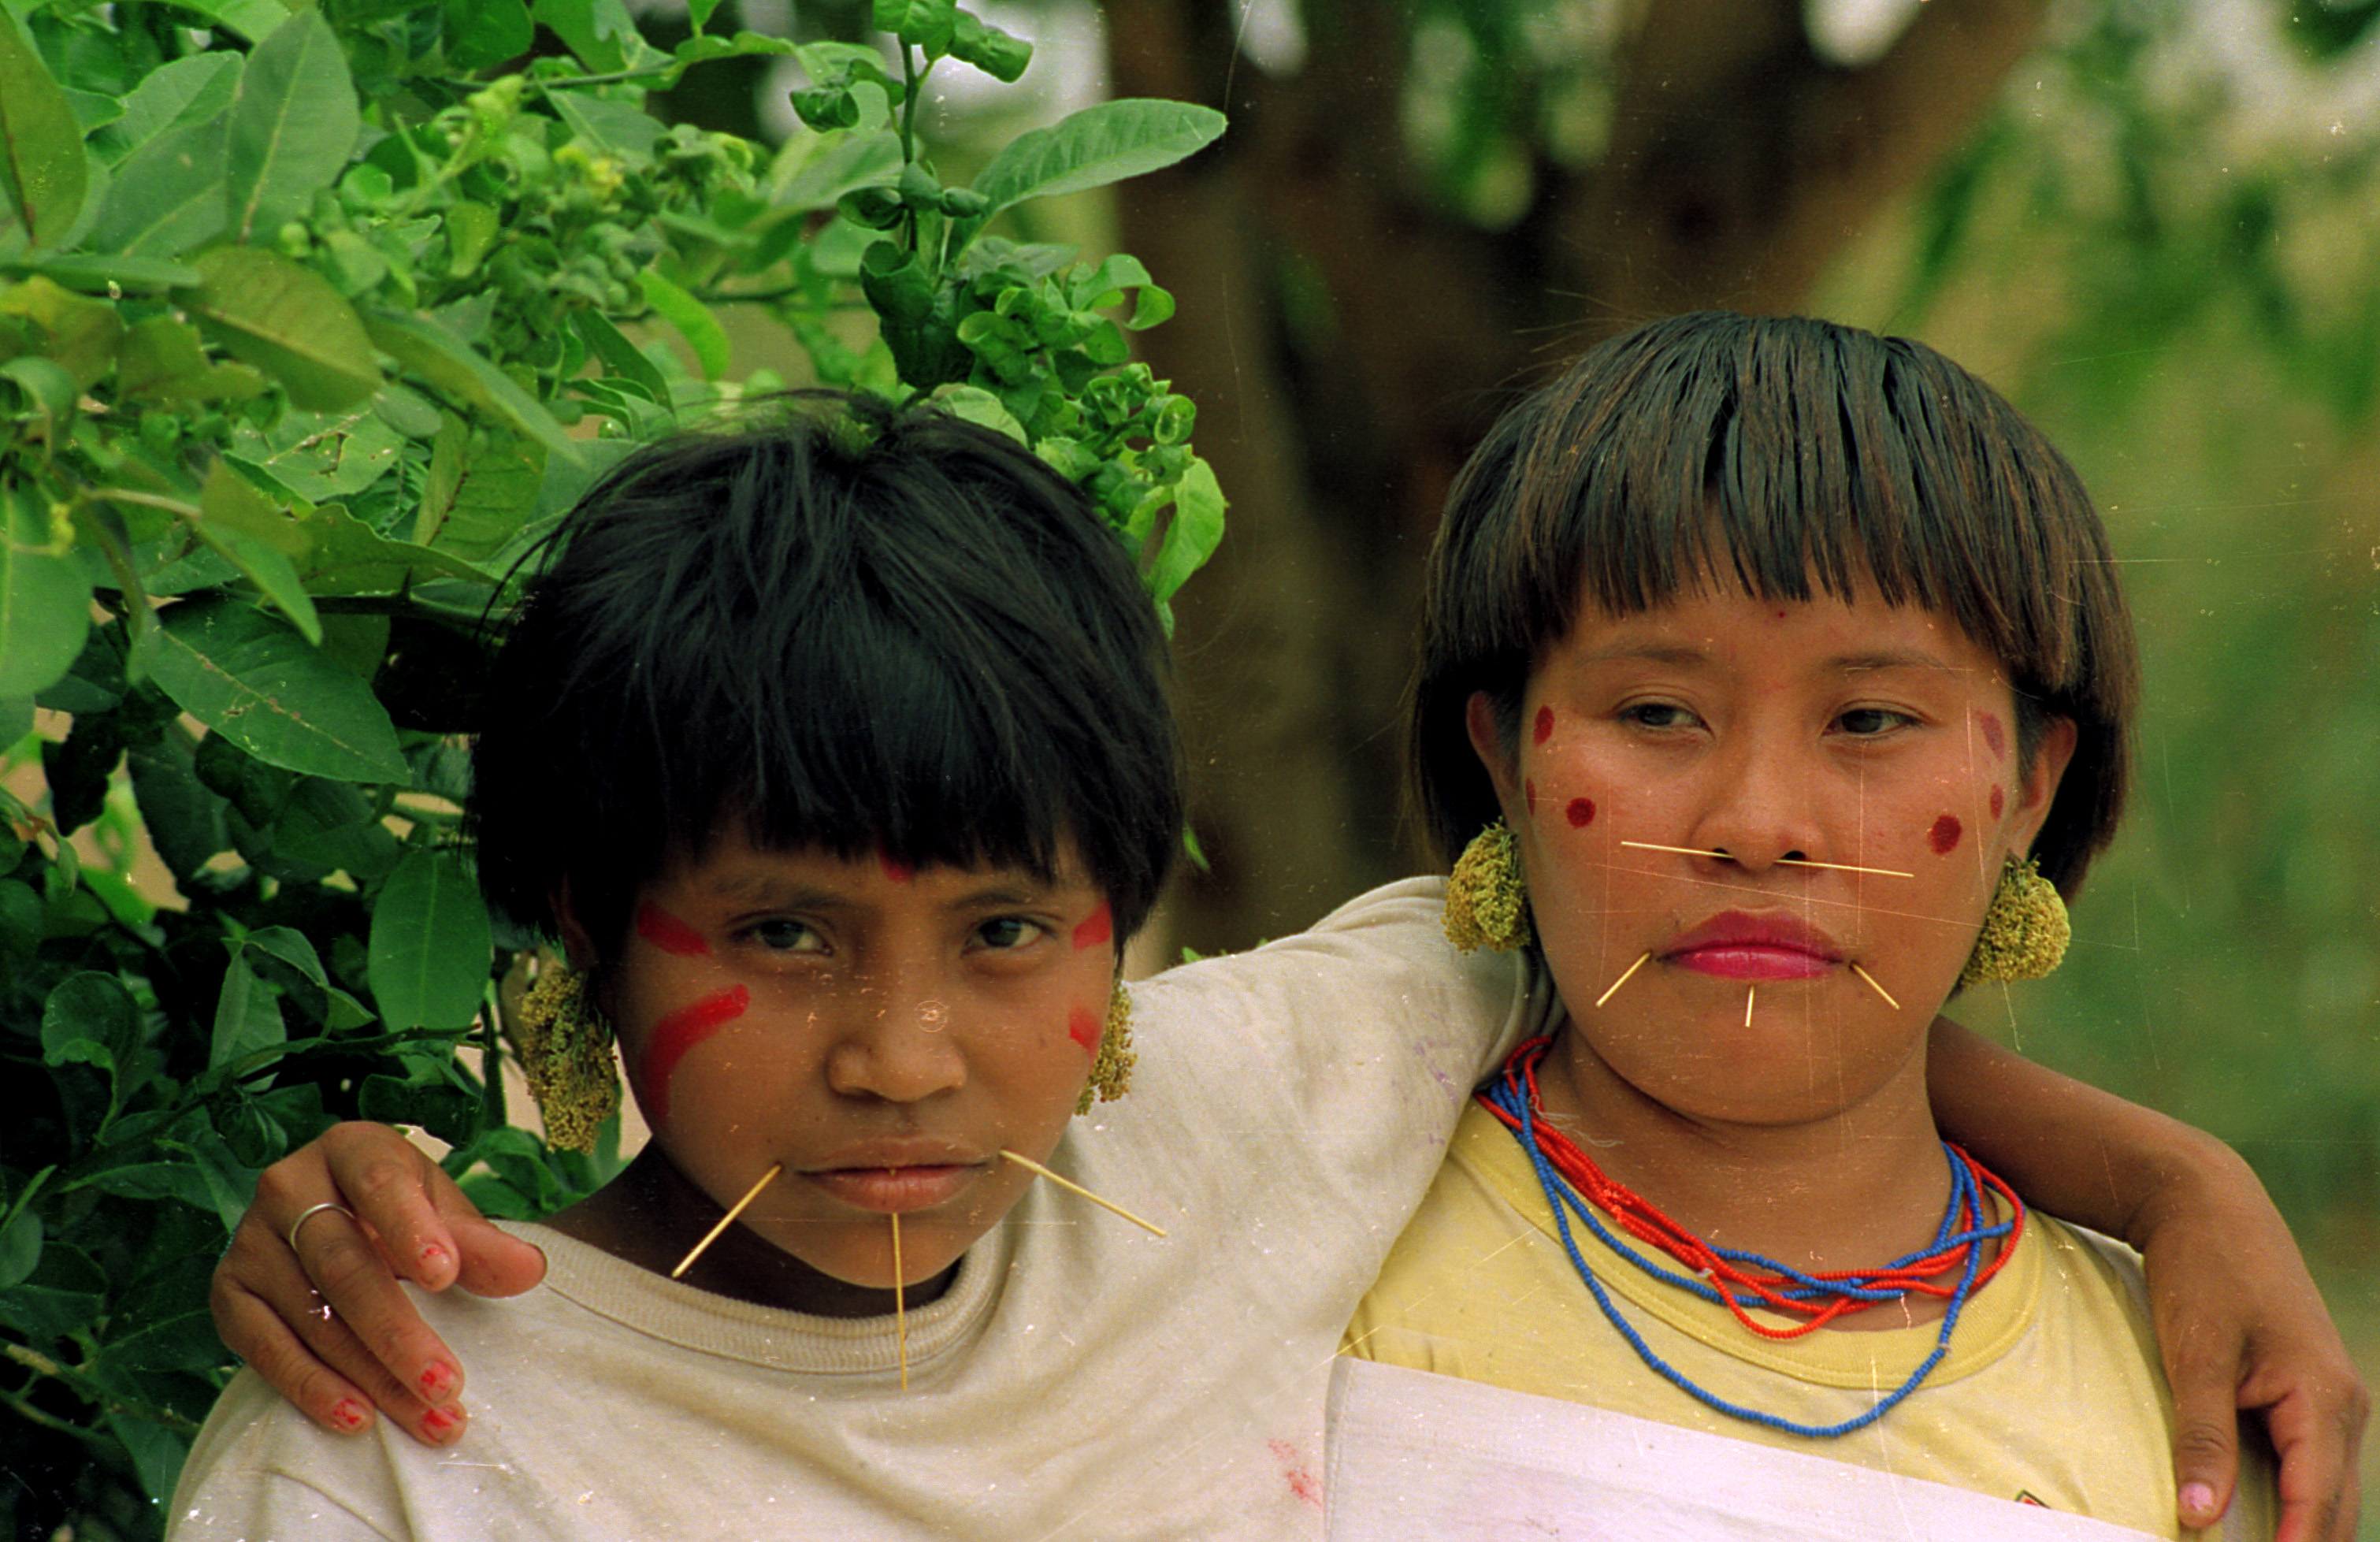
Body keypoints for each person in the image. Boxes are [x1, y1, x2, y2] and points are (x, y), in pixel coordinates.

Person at [198, 382, 2363, 1538]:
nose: (901, 1052)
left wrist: (2171, 1179)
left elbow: (1747, 961)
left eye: (1004, 934)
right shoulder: (393, 1424)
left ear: (1123, 928)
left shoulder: (1235, 1115)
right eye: (775, 935)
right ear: (581, 924)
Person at [1335, 313, 2289, 1536]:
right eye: (1658, 711)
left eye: (1871, 721)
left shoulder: (2193, 1402)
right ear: (1506, 755)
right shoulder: (1308, 1248)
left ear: (2030, 786)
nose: (1756, 823)